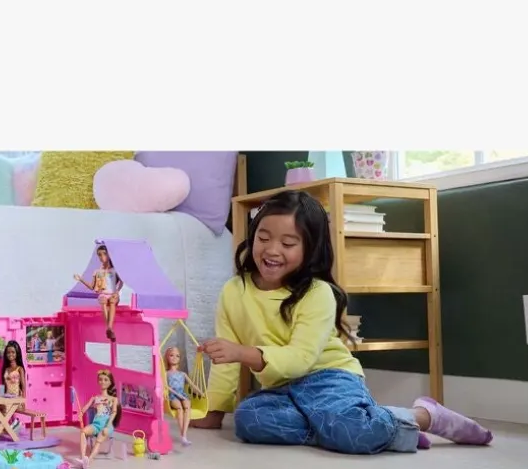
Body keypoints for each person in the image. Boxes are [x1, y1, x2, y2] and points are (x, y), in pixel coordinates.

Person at [194, 191, 494, 453]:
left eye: (288, 243)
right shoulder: (233, 291)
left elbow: (300, 359)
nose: (272, 250)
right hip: (281, 388)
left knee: (345, 427)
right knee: (249, 420)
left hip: (329, 378)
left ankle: (420, 417)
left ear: (310, 249)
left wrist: (242, 352)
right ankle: (374, 430)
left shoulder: (317, 293)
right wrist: (215, 410)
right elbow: (225, 359)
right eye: (263, 238)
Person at [75, 244, 123, 339]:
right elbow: (92, 287)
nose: (101, 257)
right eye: (99, 255)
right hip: (103, 295)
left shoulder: (115, 269)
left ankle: (109, 328)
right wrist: (81, 279)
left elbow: (121, 282)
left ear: (109, 255)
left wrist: (117, 291)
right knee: (103, 300)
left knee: (112, 301)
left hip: (113, 294)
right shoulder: (97, 271)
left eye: (104, 254)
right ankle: (109, 328)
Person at [78, 369, 121, 465]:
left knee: (98, 441)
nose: (102, 382)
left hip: (107, 425)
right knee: (83, 432)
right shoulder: (95, 398)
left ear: (110, 382)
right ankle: (83, 457)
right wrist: (81, 413)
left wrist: (107, 426)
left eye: (106, 380)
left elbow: (114, 413)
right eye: (100, 379)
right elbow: (85, 408)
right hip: (96, 425)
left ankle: (89, 460)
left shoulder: (113, 399)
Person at [163, 345, 196, 446]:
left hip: (182, 394)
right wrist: (178, 395)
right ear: (167, 357)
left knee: (187, 407)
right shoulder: (166, 373)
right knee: (179, 408)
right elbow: (166, 386)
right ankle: (183, 436)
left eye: (177, 356)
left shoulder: (182, 374)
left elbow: (192, 385)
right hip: (173, 395)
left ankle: (184, 435)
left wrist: (201, 393)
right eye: (171, 355)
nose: (174, 358)